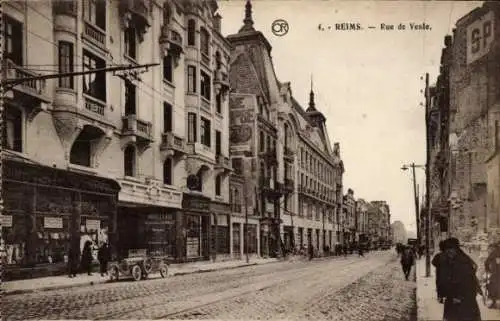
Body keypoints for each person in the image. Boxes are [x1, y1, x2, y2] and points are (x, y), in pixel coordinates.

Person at [440, 237, 482, 321]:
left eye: (450, 248)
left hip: (463, 304)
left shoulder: (462, 263)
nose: (448, 251)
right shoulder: (451, 261)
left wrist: (460, 297)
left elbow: (470, 283)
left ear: (456, 249)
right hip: (453, 301)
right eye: (446, 249)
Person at [484, 242, 500, 306]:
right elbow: (487, 262)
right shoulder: (495, 252)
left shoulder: (494, 252)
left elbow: (486, 262)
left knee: (493, 286)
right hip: (495, 273)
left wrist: (488, 270)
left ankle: (493, 300)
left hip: (495, 274)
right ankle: (493, 300)